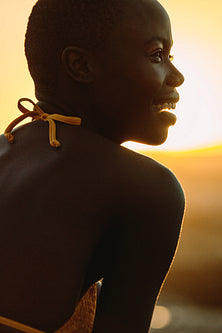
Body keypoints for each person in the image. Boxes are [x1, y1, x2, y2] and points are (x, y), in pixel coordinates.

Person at [0, 0, 185, 332]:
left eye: (170, 57)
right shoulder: (148, 188)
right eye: (156, 55)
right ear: (80, 66)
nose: (177, 76)